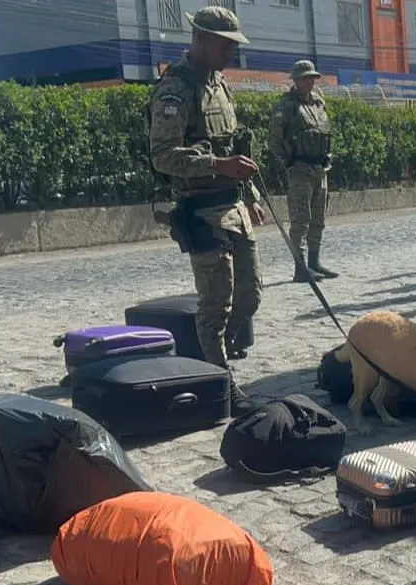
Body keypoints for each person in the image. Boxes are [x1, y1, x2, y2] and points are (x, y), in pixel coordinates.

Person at [147, 6, 264, 415]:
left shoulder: (219, 84)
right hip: (200, 209)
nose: (231, 52)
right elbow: (163, 156)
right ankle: (220, 381)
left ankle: (211, 357)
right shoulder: (174, 90)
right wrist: (216, 166)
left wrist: (247, 192)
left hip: (233, 205)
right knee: (216, 305)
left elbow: (233, 146)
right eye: (225, 45)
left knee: (250, 296)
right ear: (199, 39)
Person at [267, 60, 337, 283]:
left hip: (320, 168)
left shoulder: (319, 103)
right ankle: (300, 267)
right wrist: (289, 162)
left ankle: (314, 262)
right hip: (300, 170)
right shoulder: (286, 107)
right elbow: (274, 141)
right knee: (300, 220)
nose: (309, 82)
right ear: (295, 80)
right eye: (304, 78)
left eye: (312, 78)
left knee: (318, 218)